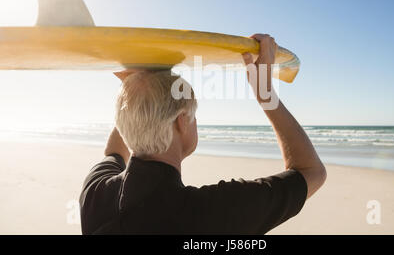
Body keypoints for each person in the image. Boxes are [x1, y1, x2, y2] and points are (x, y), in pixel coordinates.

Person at [79, 33, 326, 234]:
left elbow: (113, 152)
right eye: (194, 115)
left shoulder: (95, 191)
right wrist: (266, 96)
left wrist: (137, 97)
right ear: (182, 122)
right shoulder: (212, 214)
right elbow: (311, 171)